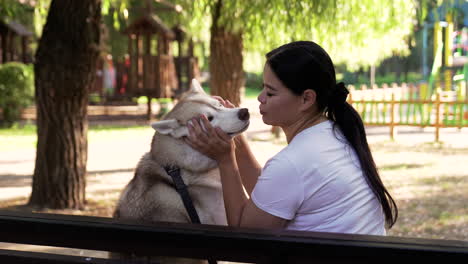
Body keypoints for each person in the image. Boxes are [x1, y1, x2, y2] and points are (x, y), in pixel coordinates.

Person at [185, 41, 398, 235]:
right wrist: (236, 140)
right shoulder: (337, 133)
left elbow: (247, 236)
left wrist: (225, 159)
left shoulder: (293, 162)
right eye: (262, 89)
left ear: (306, 99)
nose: (260, 98)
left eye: (270, 93)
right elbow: (272, 195)